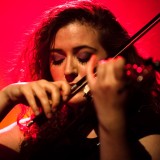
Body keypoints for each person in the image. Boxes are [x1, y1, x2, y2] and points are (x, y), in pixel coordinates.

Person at [0, 0, 160, 159]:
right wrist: (7, 96)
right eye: (57, 60)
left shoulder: (146, 128)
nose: (69, 70)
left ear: (114, 60)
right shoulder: (42, 128)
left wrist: (110, 118)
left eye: (84, 57)